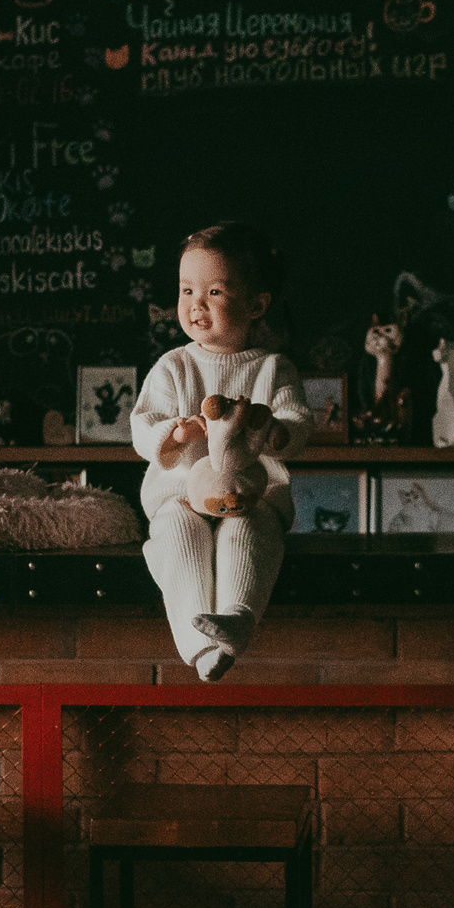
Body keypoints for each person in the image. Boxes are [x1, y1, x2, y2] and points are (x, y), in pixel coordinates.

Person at [132, 222, 313, 680]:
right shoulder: (173, 366)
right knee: (178, 534)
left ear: (256, 305)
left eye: (214, 291)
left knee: (249, 532)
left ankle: (237, 617)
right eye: (187, 289)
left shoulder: (273, 368)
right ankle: (199, 644)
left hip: (250, 495)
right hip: (180, 495)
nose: (196, 304)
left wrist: (278, 435)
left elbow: (297, 420)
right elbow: (142, 424)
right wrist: (173, 435)